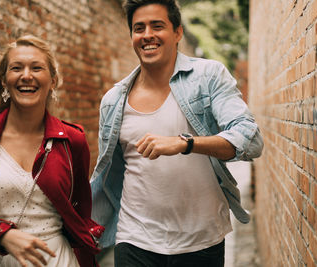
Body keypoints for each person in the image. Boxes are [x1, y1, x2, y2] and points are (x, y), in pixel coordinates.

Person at [90, 0, 263, 266]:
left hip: (201, 240)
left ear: (177, 32)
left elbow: (249, 138)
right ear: (132, 36)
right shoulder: (114, 100)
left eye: (157, 26)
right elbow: (108, 172)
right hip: (135, 238)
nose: (147, 35)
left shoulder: (209, 76)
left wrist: (186, 144)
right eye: (139, 28)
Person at [0, 35, 104, 267]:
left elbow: (80, 214)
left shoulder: (73, 140)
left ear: (53, 80)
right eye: (16, 68)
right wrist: (3, 236)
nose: (26, 75)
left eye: (37, 68)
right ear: (4, 80)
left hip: (56, 259)